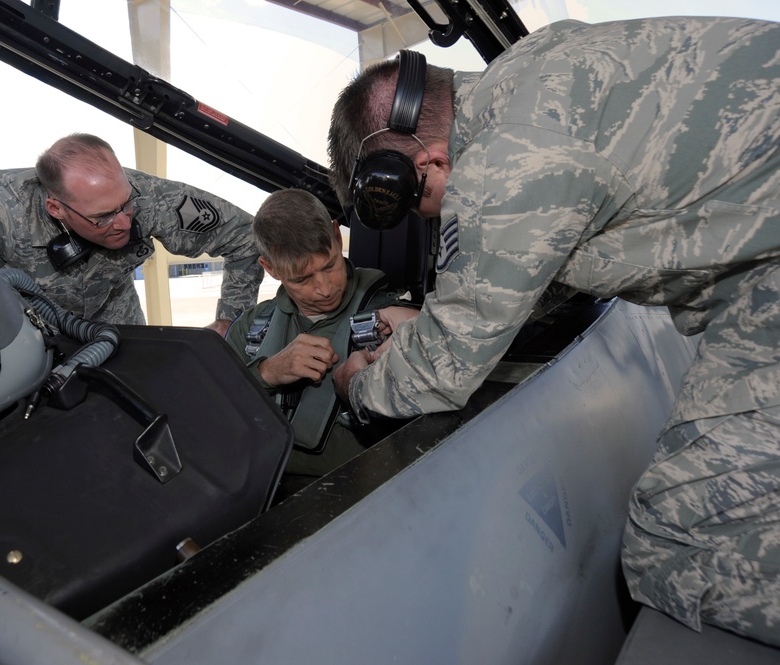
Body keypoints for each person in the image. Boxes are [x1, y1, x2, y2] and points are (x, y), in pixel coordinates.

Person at [327, 18, 780, 645]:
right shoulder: (534, 67)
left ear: (424, 165)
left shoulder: (504, 162)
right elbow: (547, 263)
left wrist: (356, 385)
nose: (432, 218)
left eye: (420, 204)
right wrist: (430, 323)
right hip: (759, 274)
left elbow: (438, 375)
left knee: (676, 548)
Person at [0, 133, 262, 333]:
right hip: (30, 337)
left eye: (125, 205)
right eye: (103, 217)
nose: (123, 222)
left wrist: (230, 320)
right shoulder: (2, 214)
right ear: (56, 209)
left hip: (119, 328)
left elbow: (248, 236)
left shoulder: (148, 197)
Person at [225, 189, 417, 490]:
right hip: (265, 493)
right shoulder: (251, 329)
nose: (325, 288)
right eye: (302, 279)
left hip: (365, 495)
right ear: (271, 269)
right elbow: (212, 415)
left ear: (337, 237)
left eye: (329, 265)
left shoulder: (391, 318)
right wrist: (266, 373)